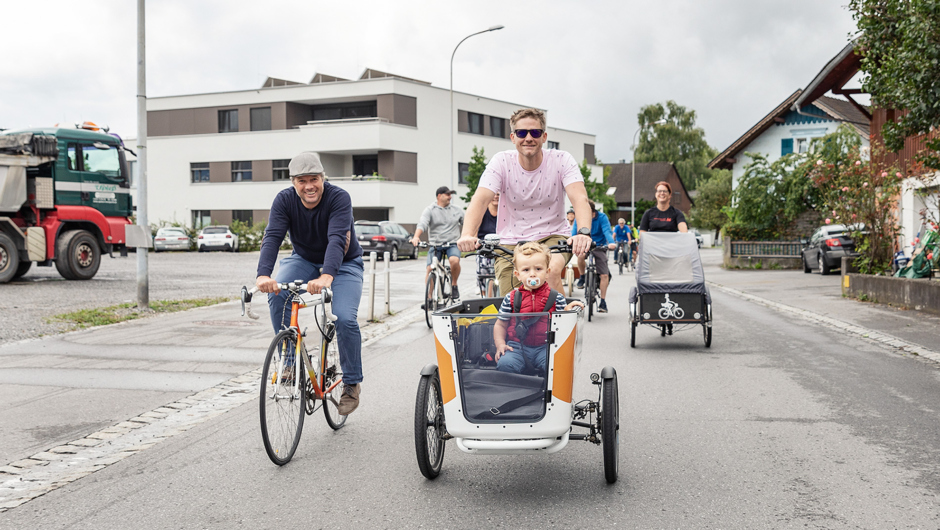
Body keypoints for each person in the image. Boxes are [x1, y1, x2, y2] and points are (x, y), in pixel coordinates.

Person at [255, 151, 364, 415]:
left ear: (323, 178)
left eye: (314, 179)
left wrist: (327, 275)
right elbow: (273, 236)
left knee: (345, 318)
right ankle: (290, 363)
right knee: (278, 291)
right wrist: (263, 274)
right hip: (303, 259)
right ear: (293, 182)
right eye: (301, 181)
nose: (309, 186)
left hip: (344, 264)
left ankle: (351, 382)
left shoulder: (339, 198)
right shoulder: (284, 200)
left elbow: (339, 238)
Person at [456, 108, 593, 296]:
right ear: (513, 137)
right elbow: (480, 200)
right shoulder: (501, 162)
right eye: (522, 133)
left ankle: (563, 322)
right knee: (510, 299)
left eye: (535, 132)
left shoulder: (562, 160)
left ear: (544, 137)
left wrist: (583, 232)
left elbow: (580, 198)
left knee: (550, 271)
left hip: (552, 236)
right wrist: (467, 234)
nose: (528, 137)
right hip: (511, 241)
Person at [492, 242, 583, 374]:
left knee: (555, 365)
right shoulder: (511, 298)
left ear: (547, 272)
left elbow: (563, 322)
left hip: (545, 347)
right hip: (517, 347)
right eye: (526, 270)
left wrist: (568, 310)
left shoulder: (556, 297)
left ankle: (548, 393)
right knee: (505, 364)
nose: (532, 274)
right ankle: (516, 391)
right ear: (517, 274)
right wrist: (500, 344)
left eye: (538, 269)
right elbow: (500, 324)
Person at [638, 180, 688, 335]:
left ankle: (671, 314)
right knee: (656, 284)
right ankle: (658, 312)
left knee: (672, 284)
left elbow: (683, 229)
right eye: (659, 191)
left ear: (669, 195)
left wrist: (684, 235)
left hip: (672, 256)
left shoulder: (676, 213)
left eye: (665, 191)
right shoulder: (649, 214)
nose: (662, 193)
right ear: (656, 195)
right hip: (654, 256)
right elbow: (642, 234)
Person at [411, 186, 465, 302]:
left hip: (452, 243)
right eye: (447, 194)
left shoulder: (457, 210)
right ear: (439, 196)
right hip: (435, 244)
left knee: (454, 261)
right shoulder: (430, 210)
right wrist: (416, 237)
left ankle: (454, 284)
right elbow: (422, 224)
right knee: (430, 268)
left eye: (451, 194)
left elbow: (466, 223)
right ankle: (429, 298)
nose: (450, 197)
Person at [571, 200, 617, 313]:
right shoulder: (579, 218)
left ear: (592, 211)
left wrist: (611, 242)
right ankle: (582, 277)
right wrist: (572, 240)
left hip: (599, 245)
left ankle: (603, 301)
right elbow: (574, 232)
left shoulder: (602, 217)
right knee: (580, 256)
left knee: (604, 275)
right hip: (585, 244)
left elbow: (607, 230)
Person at [476, 193, 499, 297]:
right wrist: (474, 239)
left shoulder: (505, 211)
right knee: (483, 271)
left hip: (502, 245)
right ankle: (484, 297)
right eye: (493, 194)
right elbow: (474, 228)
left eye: (498, 194)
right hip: (483, 244)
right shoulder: (482, 211)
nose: (496, 196)